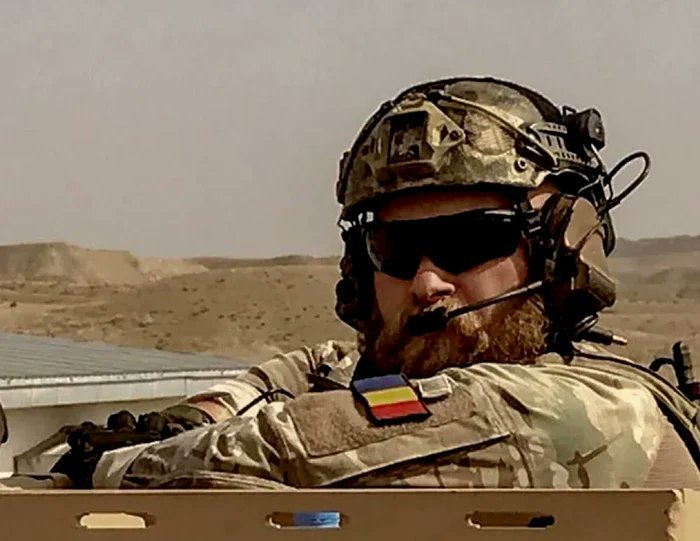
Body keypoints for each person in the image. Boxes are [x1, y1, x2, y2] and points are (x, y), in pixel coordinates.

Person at [53, 76, 700, 490]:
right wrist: (198, 414)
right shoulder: (410, 370)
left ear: (560, 253)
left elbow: (308, 441)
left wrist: (114, 464)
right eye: (394, 250)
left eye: (470, 242)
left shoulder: (591, 407)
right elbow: (321, 369)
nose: (426, 282)